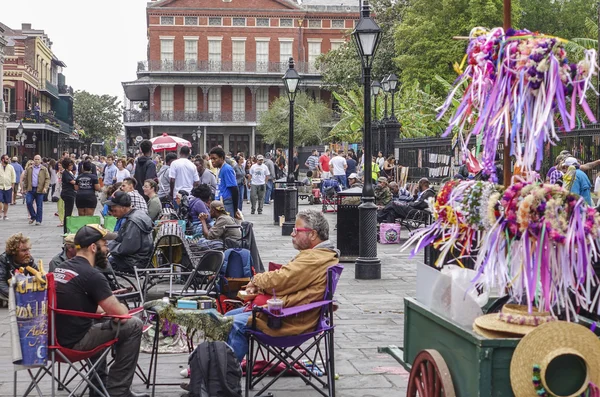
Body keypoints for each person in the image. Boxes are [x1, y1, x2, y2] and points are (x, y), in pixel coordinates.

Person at [225, 209, 339, 362]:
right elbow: (287, 281)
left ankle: (225, 374)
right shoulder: (321, 255)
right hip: (296, 314)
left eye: (296, 230)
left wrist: (256, 280)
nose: (292, 234)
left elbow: (280, 281)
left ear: (312, 234)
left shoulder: (314, 258)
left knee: (234, 323)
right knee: (227, 318)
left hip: (290, 320)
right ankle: (218, 368)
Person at [54, 225, 148, 397]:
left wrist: (103, 311)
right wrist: (120, 309)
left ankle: (98, 387)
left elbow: (75, 303)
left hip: (54, 338)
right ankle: (118, 391)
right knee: (134, 325)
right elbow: (121, 313)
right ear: (93, 247)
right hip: (74, 342)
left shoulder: (61, 267)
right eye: (105, 244)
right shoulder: (92, 275)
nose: (107, 249)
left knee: (101, 320)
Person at [106, 192, 153, 273]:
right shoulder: (138, 213)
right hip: (140, 258)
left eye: (114, 209)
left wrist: (106, 246)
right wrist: (109, 236)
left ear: (123, 208)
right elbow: (123, 237)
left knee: (99, 264)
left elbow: (125, 249)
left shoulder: (133, 222)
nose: (112, 213)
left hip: (134, 262)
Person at [0, 233, 37, 302]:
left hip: (18, 288)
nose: (28, 253)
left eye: (28, 250)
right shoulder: (3, 260)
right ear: (14, 252)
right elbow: (1, 282)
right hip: (6, 291)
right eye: (24, 250)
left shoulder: (29, 259)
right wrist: (16, 295)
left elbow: (38, 275)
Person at [209, 146, 239, 217]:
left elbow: (234, 189)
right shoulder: (219, 169)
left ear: (222, 158)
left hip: (226, 203)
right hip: (220, 202)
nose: (212, 161)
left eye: (214, 158)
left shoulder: (227, 169)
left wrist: (235, 209)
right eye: (211, 159)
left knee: (227, 225)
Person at [23, 155, 50, 225]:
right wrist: (25, 188)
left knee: (39, 205)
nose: (36, 161)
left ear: (40, 160)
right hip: (31, 189)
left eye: (38, 159)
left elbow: (47, 179)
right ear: (33, 160)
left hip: (40, 189)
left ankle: (38, 220)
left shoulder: (44, 169)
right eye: (35, 159)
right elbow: (25, 179)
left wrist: (45, 187)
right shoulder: (29, 168)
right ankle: (33, 216)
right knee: (28, 202)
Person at [60, 158, 77, 233]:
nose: (72, 166)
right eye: (70, 165)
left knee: (69, 211)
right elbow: (72, 182)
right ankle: (66, 229)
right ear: (66, 166)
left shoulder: (69, 172)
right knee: (68, 212)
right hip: (68, 193)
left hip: (70, 193)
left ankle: (67, 228)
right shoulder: (65, 173)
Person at [0, 155, 15, 220]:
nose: (8, 160)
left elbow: (13, 176)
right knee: (0, 200)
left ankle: (5, 215)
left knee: (6, 202)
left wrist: (12, 186)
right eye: (6, 159)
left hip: (8, 187)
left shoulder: (11, 167)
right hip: (0, 186)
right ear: (2, 160)